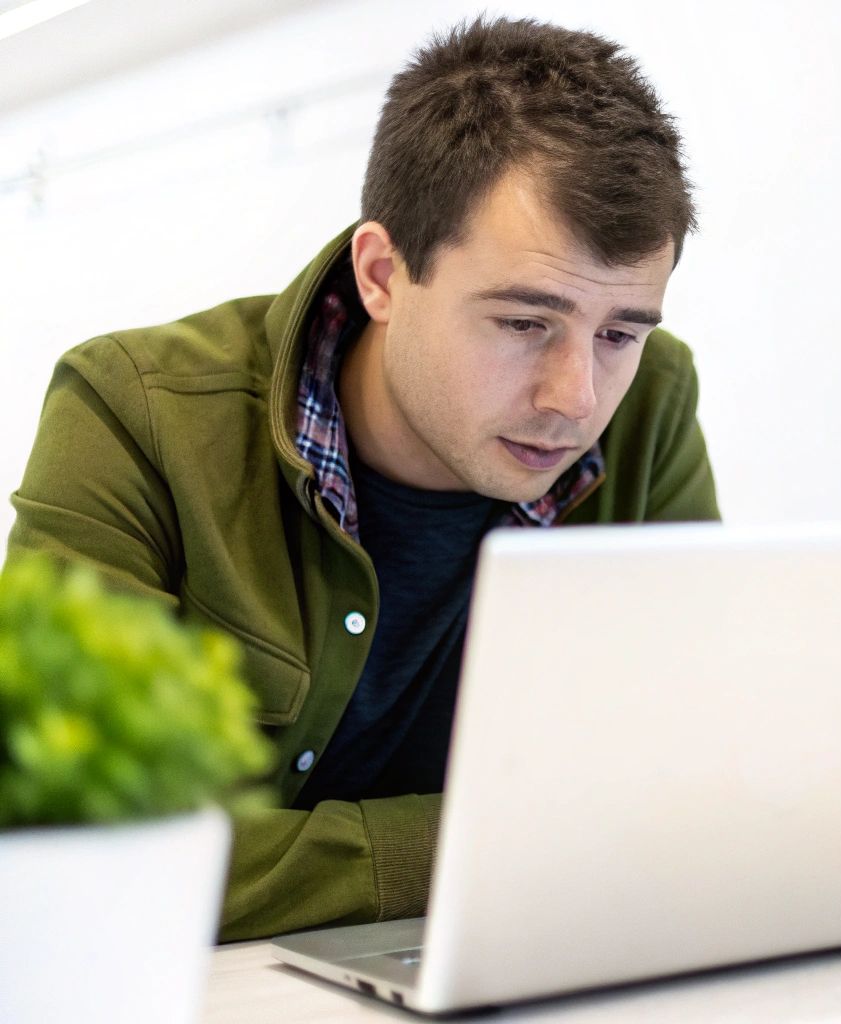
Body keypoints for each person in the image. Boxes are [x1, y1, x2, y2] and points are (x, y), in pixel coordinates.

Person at [5, 15, 717, 941]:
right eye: (522, 323)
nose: (575, 397)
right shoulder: (133, 411)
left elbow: (695, 779)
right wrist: (459, 847)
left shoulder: (652, 405)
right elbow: (66, 849)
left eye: (620, 331)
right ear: (382, 274)